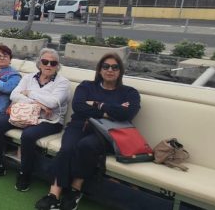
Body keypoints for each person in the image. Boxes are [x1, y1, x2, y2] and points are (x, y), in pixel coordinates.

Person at [35, 53, 140, 210]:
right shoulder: (86, 86)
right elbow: (79, 107)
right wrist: (112, 110)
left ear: (120, 71)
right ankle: (53, 194)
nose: (110, 70)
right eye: (106, 66)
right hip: (79, 125)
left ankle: (75, 190)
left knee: (86, 145)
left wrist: (97, 104)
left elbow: (127, 114)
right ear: (99, 69)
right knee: (67, 148)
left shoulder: (130, 93)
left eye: (115, 67)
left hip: (107, 131)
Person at [0, 48, 70, 192]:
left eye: (53, 63)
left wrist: (29, 93)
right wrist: (38, 104)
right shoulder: (29, 77)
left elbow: (53, 103)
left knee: (28, 135)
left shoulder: (63, 83)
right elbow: (14, 95)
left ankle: (25, 173)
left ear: (57, 66)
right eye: (45, 61)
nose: (48, 65)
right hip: (23, 114)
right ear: (39, 63)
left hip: (48, 121)